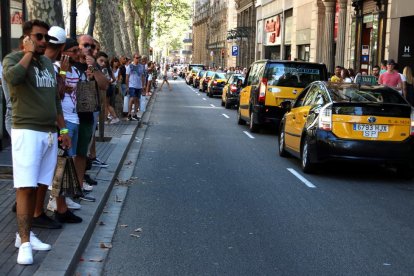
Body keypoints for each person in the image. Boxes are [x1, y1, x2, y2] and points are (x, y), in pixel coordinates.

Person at [3, 19, 71, 265]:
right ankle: (24, 242)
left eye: (46, 38)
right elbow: (13, 78)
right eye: (39, 37)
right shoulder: (13, 59)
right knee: (25, 187)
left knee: (40, 185)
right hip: (26, 131)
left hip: (49, 133)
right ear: (27, 39)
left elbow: (54, 99)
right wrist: (28, 54)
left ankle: (26, 235)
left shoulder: (46, 64)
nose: (44, 42)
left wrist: (62, 129)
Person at [44, 27, 83, 223]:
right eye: (73, 50)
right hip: (50, 124)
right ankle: (57, 205)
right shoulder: (51, 67)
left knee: (62, 162)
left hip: (62, 123)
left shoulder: (54, 66)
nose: (79, 53)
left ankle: (60, 203)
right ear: (62, 50)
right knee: (58, 165)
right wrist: (62, 73)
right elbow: (57, 94)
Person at [73, 34, 109, 202]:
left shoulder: (94, 66)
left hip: (87, 114)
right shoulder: (70, 64)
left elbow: (104, 85)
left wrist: (94, 69)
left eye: (92, 47)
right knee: (68, 155)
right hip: (70, 116)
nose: (90, 49)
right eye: (86, 45)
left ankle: (79, 187)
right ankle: (65, 192)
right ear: (77, 46)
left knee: (81, 153)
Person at [96, 52, 119, 124]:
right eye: (101, 61)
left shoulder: (103, 70)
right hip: (110, 88)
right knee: (106, 104)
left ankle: (114, 117)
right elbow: (114, 79)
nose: (103, 63)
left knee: (106, 104)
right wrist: (110, 82)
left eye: (104, 61)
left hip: (106, 89)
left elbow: (106, 79)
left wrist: (107, 83)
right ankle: (105, 119)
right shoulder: (108, 69)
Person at [126, 53, 145, 121]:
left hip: (139, 86)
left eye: (139, 58)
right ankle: (129, 114)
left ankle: (134, 114)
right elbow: (127, 77)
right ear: (133, 58)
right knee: (132, 99)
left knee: (137, 100)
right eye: (137, 58)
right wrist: (127, 86)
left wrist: (143, 86)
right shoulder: (130, 66)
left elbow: (142, 76)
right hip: (132, 86)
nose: (138, 59)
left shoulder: (141, 66)